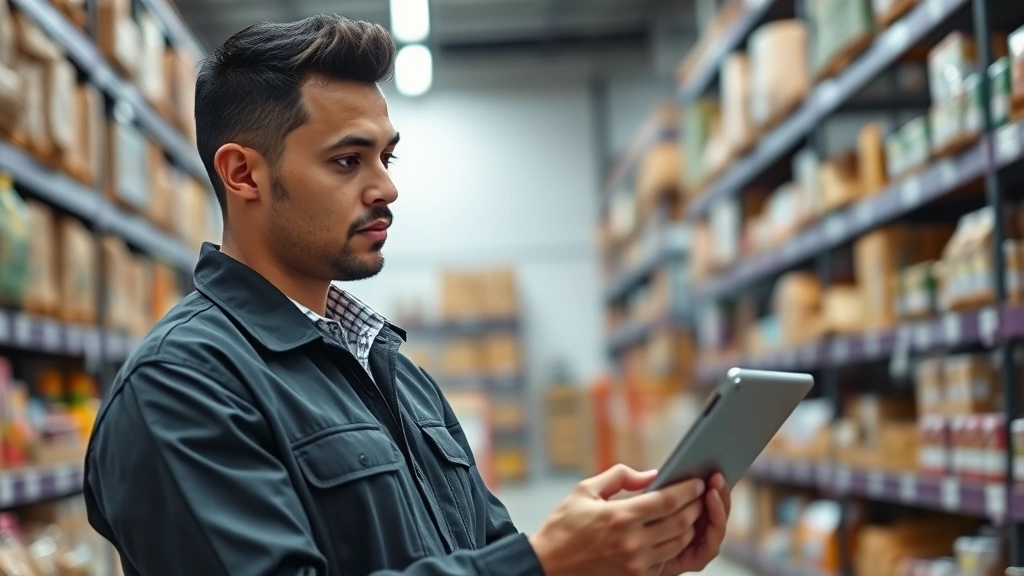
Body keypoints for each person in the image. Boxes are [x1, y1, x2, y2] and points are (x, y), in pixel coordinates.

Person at [83, 14, 730, 576]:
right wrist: (544, 563)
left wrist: (615, 558)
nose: (386, 188)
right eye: (347, 161)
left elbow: (487, 554)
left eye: (386, 159)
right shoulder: (181, 386)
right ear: (243, 173)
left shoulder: (391, 369)